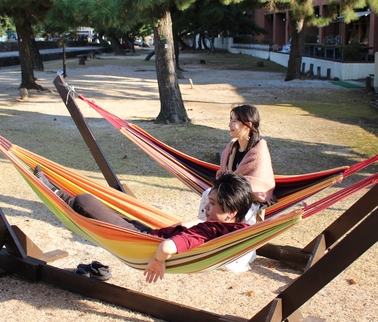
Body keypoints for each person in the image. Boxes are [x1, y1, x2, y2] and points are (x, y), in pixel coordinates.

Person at [35, 166, 254, 283]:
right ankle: (56, 190)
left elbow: (168, 247)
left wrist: (158, 261)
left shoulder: (210, 229)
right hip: (148, 233)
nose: (206, 207)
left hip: (143, 243)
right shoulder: (240, 229)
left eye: (212, 204)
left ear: (231, 212)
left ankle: (54, 191)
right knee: (112, 214)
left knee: (85, 201)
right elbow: (199, 227)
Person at [197, 104, 276, 272]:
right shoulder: (232, 146)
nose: (230, 125)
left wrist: (230, 188)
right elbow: (223, 174)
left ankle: (238, 258)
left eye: (235, 121)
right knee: (207, 195)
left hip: (252, 199)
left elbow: (257, 182)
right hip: (229, 193)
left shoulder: (259, 150)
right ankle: (203, 238)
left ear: (248, 125)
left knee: (244, 212)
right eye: (230, 120)